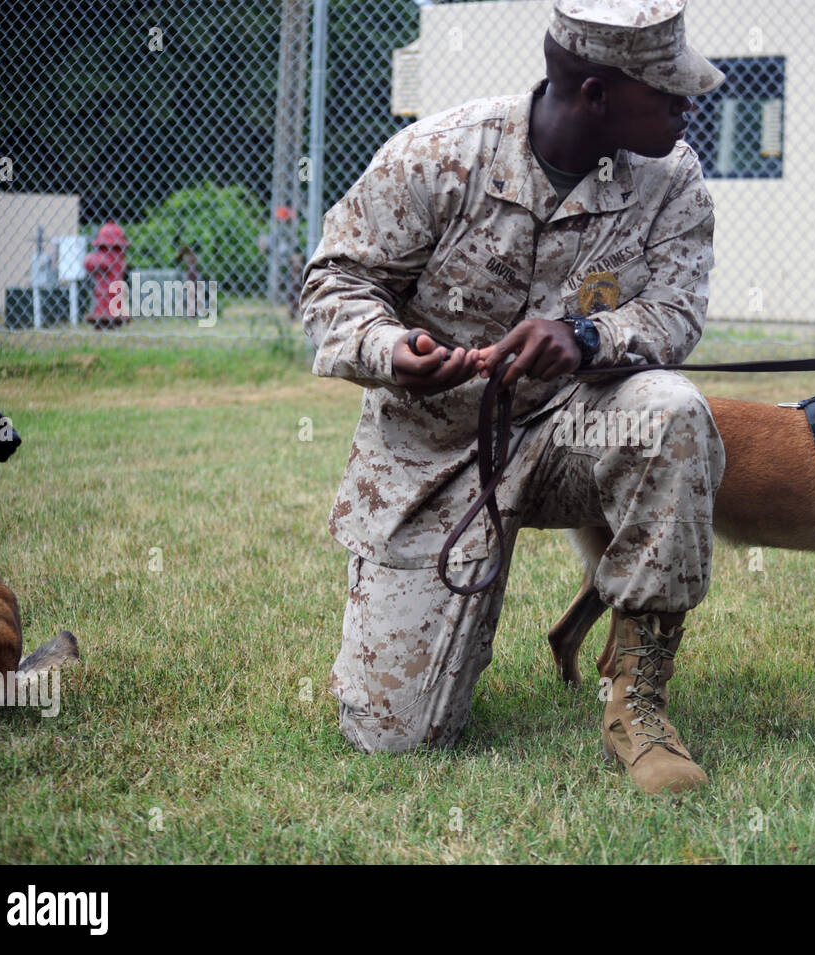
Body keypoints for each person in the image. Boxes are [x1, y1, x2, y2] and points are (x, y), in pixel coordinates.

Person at [301, 0, 726, 794]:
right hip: (435, 449)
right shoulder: (439, 155)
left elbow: (676, 313)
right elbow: (335, 283)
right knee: (395, 735)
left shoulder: (673, 181)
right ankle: (432, 636)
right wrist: (392, 350)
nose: (686, 104)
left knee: (671, 409)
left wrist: (588, 337)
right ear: (597, 93)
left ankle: (636, 699)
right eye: (664, 90)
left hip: (574, 429)